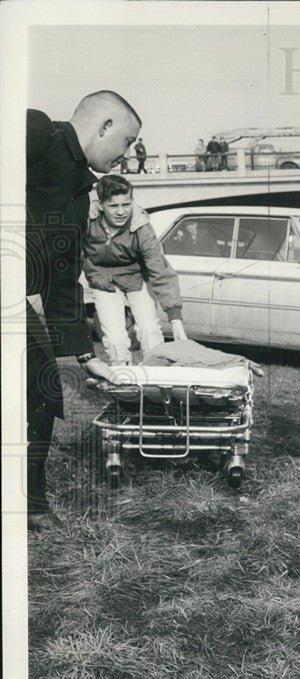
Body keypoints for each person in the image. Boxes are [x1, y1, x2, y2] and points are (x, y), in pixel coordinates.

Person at [25, 91, 135, 530]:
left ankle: (30, 503)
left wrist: (89, 358)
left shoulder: (81, 191)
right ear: (104, 126)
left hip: (22, 309)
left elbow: (64, 280)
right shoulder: (36, 129)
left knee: (42, 391)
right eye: (125, 142)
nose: (125, 156)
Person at [82, 175, 187, 365]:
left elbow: (159, 269)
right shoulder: (87, 221)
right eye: (114, 206)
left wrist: (175, 319)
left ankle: (156, 373)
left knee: (149, 330)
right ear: (100, 205)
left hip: (137, 277)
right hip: (102, 279)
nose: (121, 212)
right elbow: (71, 255)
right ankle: (124, 377)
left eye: (126, 204)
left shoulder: (141, 227)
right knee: (114, 338)